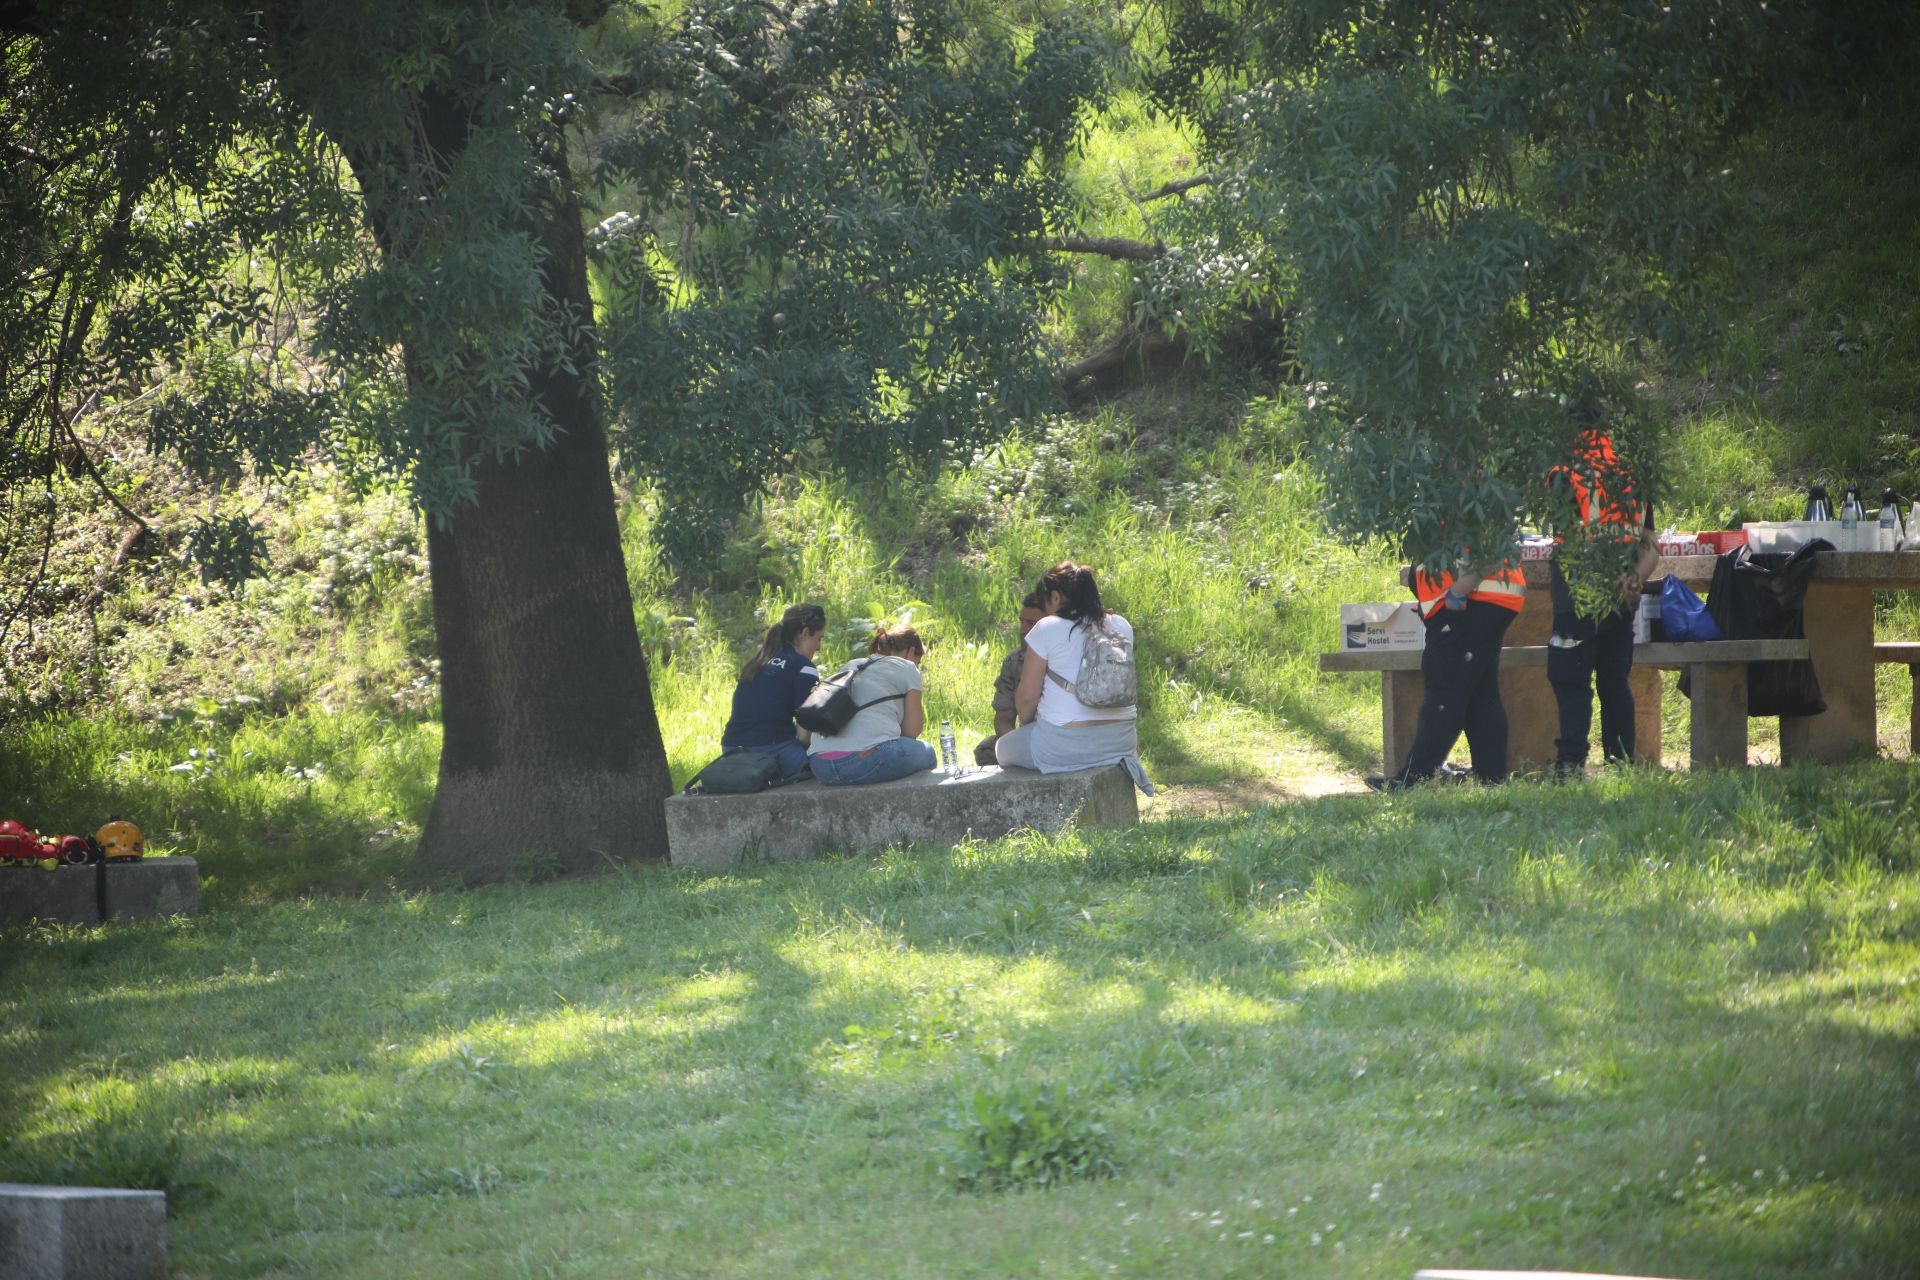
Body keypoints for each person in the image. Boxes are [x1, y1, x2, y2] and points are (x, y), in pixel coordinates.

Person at [1546, 417, 1659, 773]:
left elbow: (1570, 537)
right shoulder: (1632, 474)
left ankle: (1571, 763)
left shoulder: (1566, 473)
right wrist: (1632, 578)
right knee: (1614, 679)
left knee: (1571, 676)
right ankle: (1620, 763)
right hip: (1623, 592)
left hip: (1580, 589)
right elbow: (1652, 545)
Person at [995, 561, 1154, 794]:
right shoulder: (1121, 625)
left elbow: (1027, 698)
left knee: (1002, 748)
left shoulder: (1047, 628)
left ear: (1056, 597)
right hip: (1122, 741)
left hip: (1063, 745)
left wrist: (1027, 727)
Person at [1389, 557, 1527, 787]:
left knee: (1444, 693)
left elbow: (1485, 540)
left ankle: (1412, 781)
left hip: (1470, 599)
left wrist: (1459, 590)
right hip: (1482, 598)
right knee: (1481, 696)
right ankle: (1492, 781)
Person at [807, 624, 938, 785]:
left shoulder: (852, 665)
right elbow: (911, 732)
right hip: (864, 760)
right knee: (928, 752)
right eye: (918, 661)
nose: (917, 666)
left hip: (820, 764)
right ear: (911, 652)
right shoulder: (908, 668)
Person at [720, 603, 825, 779]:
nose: (819, 647)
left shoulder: (757, 663)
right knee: (830, 767)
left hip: (731, 749)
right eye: (819, 638)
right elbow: (804, 736)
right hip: (770, 750)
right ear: (805, 633)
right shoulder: (804, 668)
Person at [974, 590, 1049, 766]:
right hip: (1029, 736)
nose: (1023, 630)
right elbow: (1003, 718)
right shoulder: (1014, 661)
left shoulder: (1062, 657)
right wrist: (1016, 746)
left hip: (1059, 734)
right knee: (986, 750)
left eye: (1031, 623)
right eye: (1022, 622)